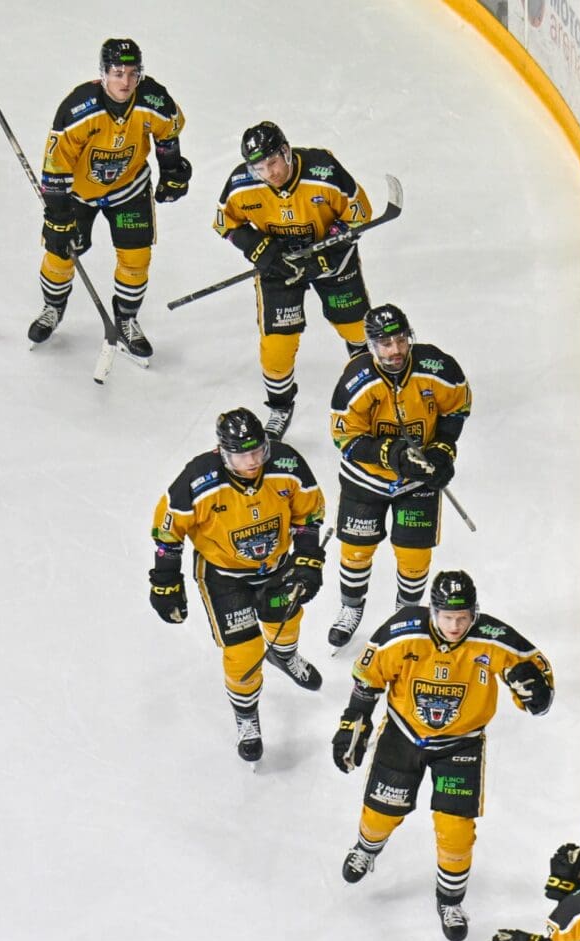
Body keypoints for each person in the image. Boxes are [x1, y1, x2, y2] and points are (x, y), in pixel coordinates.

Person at [331, 573, 552, 941]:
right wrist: (353, 720)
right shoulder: (403, 631)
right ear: (432, 610)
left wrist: (536, 692)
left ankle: (450, 900)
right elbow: (368, 675)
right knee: (381, 813)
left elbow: (540, 684)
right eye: (447, 617)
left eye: (463, 617)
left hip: (461, 745)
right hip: (403, 733)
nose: (455, 625)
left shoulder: (493, 638)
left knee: (456, 830)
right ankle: (367, 848)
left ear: (474, 613)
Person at [148, 407, 327, 764]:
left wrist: (308, 560)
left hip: (276, 566)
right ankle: (247, 716)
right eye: (240, 454)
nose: (251, 461)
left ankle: (284, 655)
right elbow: (169, 532)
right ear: (221, 452)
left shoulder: (288, 464)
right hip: (223, 576)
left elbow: (309, 513)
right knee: (244, 652)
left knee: (286, 622)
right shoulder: (197, 479)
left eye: (257, 451)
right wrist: (166, 581)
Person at [212, 121, 375, 436]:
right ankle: (280, 405)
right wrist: (259, 249)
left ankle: (368, 383)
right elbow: (225, 224)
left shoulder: (323, 170)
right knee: (276, 350)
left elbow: (358, 215)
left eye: (273, 162)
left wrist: (326, 253)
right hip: (279, 269)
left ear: (285, 151)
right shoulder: (241, 183)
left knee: (356, 328)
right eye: (260, 167)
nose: (269, 173)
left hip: (334, 263)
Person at [323, 302, 470, 645]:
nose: (395, 351)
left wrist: (443, 451)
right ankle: (351, 606)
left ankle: (405, 614)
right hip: (365, 480)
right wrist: (389, 454)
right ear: (371, 345)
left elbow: (457, 407)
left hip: (418, 481)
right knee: (356, 551)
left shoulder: (437, 367)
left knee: (414, 555)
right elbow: (345, 438)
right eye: (386, 344)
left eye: (401, 340)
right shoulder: (355, 381)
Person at [30, 39, 186, 360]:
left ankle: (126, 318)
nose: (126, 82)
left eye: (132, 73)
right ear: (103, 74)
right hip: (79, 194)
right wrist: (58, 218)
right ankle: (53, 307)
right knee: (60, 254)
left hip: (128, 190)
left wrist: (172, 170)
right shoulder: (77, 110)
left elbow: (168, 133)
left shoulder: (153, 99)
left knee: (136, 258)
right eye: (117, 73)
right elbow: (56, 166)